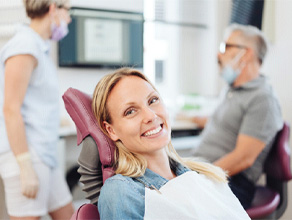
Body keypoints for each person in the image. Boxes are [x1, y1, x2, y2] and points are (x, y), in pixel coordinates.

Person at [88, 67, 250, 219]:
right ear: (111, 130)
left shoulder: (205, 175)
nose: (150, 115)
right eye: (130, 111)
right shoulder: (122, 192)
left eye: (152, 100)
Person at [191, 24, 283, 209]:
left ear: (246, 54)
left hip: (231, 181)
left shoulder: (262, 99)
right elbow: (229, 124)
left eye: (225, 47)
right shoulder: (232, 90)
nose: (219, 54)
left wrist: (199, 177)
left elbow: (243, 158)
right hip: (207, 170)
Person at [0, 0, 74, 219]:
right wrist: (24, 166)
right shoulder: (24, 46)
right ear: (53, 8)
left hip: (44, 154)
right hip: (26, 155)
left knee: (69, 215)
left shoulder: (39, 47)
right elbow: (11, 109)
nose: (68, 19)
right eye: (67, 11)